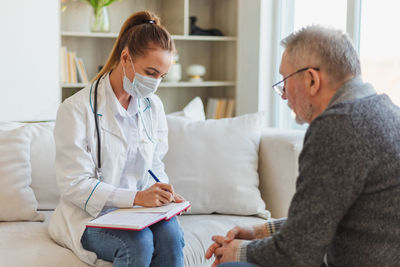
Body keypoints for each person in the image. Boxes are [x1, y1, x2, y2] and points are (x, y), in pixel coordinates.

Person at [206, 25, 400, 267]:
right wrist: (259, 231)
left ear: (311, 79)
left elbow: (296, 253)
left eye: (285, 81)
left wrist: (239, 252)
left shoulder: (337, 127)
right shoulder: (387, 112)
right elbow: (319, 220)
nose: (284, 95)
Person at [48, 11, 185, 267]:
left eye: (161, 76)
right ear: (126, 58)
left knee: (171, 234)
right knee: (138, 241)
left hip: (135, 213)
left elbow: (154, 164)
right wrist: (135, 198)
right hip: (88, 216)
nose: (155, 84)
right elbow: (74, 185)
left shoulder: (152, 107)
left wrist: (164, 193)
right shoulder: (76, 109)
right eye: (150, 72)